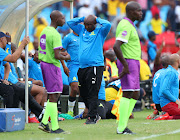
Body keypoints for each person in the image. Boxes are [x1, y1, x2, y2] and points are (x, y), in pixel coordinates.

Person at [67, 15, 111, 124]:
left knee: (92, 92)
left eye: (89, 24)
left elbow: (108, 24)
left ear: (94, 24)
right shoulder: (82, 29)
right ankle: (92, 113)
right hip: (82, 67)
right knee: (83, 92)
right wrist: (83, 18)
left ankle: (92, 116)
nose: (86, 26)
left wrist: (96, 18)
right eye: (85, 24)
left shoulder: (100, 32)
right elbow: (70, 23)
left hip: (95, 66)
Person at [38, 10, 70, 133]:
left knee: (53, 94)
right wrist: (67, 57)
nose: (64, 20)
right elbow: (57, 55)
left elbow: (48, 50)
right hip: (52, 66)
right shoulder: (55, 34)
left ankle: (45, 122)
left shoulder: (45, 31)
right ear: (56, 20)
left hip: (45, 64)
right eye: (62, 18)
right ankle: (55, 126)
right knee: (54, 95)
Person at [113, 1, 142, 134]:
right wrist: (125, 65)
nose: (141, 13)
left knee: (135, 93)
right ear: (131, 12)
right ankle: (122, 127)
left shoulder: (130, 25)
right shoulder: (125, 25)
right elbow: (116, 46)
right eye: (138, 11)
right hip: (128, 62)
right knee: (128, 93)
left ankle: (123, 121)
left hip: (134, 62)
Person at [156, 54, 180, 120]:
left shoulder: (169, 71)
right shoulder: (171, 72)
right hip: (168, 104)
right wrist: (176, 101)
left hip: (168, 103)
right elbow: (164, 90)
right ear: (178, 61)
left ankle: (166, 115)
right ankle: (166, 117)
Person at [62, 31, 80, 116]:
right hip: (73, 66)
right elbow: (59, 51)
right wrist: (64, 66)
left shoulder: (84, 36)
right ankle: (70, 111)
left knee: (84, 89)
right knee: (75, 87)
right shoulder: (68, 37)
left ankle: (84, 112)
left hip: (84, 65)